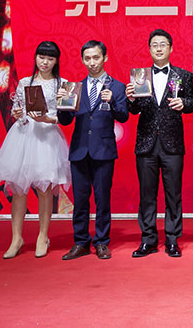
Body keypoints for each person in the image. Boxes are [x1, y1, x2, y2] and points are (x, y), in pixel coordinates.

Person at [0, 41, 71, 259]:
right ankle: (16, 238)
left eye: (50, 58)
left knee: (45, 189)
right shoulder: (25, 82)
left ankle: (43, 236)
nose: (45, 62)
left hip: (47, 139)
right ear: (35, 58)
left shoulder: (62, 84)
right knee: (19, 189)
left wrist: (47, 119)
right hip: (23, 137)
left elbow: (64, 116)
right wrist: (17, 114)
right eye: (41, 57)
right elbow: (18, 109)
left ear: (56, 61)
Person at [57, 40, 128, 260]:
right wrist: (62, 105)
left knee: (102, 198)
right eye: (87, 58)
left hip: (104, 150)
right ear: (82, 60)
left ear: (105, 58)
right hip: (79, 149)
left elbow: (124, 116)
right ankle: (80, 242)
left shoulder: (117, 87)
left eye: (96, 57)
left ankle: (102, 242)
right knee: (80, 200)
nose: (92, 62)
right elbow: (66, 120)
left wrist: (113, 102)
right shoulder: (75, 88)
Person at [126, 29, 193, 258]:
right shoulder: (140, 76)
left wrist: (183, 103)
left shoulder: (183, 75)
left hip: (172, 143)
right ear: (149, 49)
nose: (159, 48)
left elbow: (192, 103)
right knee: (147, 195)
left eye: (163, 44)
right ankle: (148, 240)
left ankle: (172, 240)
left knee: (173, 194)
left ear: (171, 48)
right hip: (146, 143)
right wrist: (131, 98)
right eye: (154, 44)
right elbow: (133, 109)